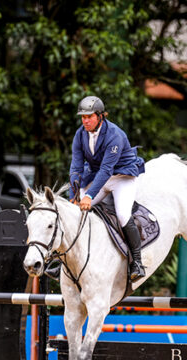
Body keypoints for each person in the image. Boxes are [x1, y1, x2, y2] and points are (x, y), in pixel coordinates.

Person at [67, 95, 146, 281]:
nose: (85, 121)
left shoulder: (115, 135)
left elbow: (107, 169)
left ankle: (137, 262)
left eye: (89, 117)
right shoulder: (80, 135)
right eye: (83, 117)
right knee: (74, 211)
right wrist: (74, 195)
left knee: (123, 215)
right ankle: (67, 262)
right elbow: (76, 167)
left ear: (101, 116)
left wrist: (89, 195)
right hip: (98, 177)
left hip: (122, 177)